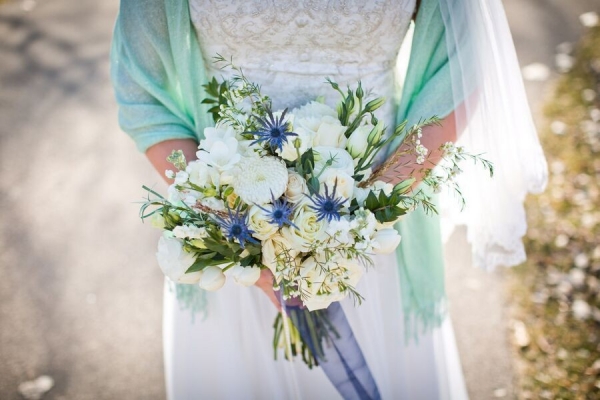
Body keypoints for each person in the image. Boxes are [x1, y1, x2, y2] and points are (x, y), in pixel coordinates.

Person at [110, 0, 547, 398]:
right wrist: (235, 236)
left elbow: (460, 68)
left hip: (369, 242)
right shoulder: (231, 234)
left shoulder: (364, 225)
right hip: (231, 239)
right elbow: (141, 91)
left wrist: (362, 216)